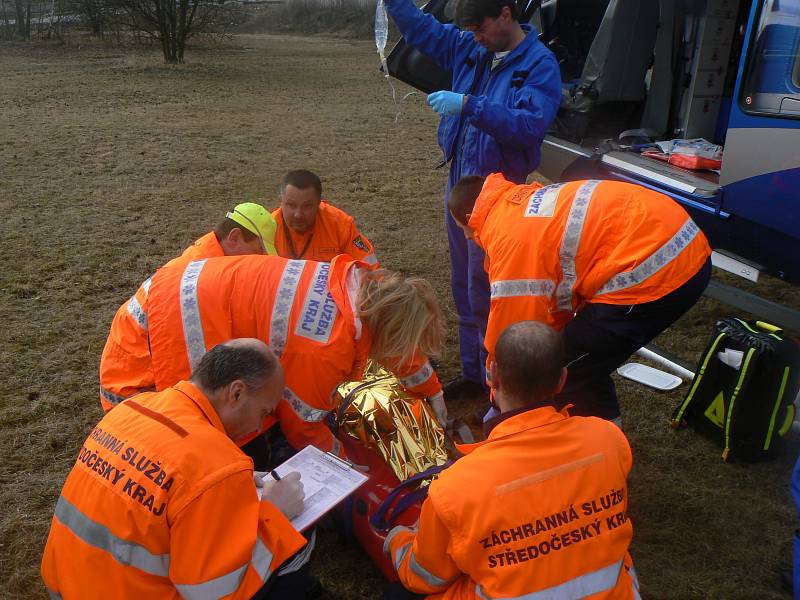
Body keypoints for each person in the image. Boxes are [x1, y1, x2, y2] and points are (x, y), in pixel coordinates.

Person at [382, 321, 639, 600]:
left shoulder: (456, 488)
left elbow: (425, 577)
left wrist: (396, 539)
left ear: (493, 375)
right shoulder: (609, 440)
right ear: (562, 379)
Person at [383, 0, 562, 401]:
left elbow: (529, 125)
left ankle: (496, 378)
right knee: (464, 284)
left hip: (499, 192)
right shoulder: (471, 46)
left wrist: (470, 105)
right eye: (470, 31)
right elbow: (424, 30)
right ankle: (471, 373)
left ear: (505, 14)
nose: (475, 38)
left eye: (480, 28)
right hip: (460, 184)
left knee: (487, 287)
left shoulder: (539, 65)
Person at [42, 339, 316, 599]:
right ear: (236, 392)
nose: (259, 427)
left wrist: (232, 483)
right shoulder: (218, 464)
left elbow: (169, 482)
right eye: (264, 412)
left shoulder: (131, 408)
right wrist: (276, 515)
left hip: (66, 587)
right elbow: (216, 592)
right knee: (298, 542)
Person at [448, 173, 713, 422]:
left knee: (560, 367)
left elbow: (512, 336)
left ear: (471, 216)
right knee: (584, 349)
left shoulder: (509, 240)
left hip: (659, 268)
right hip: (680, 241)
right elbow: (553, 307)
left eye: (462, 228)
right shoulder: (516, 204)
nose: (466, 236)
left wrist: (499, 401)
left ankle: (600, 448)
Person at [135, 254, 446, 457]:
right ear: (391, 332)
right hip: (179, 321)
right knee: (199, 434)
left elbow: (400, 350)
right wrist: (347, 464)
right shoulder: (325, 347)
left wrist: (432, 390)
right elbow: (303, 426)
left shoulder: (357, 288)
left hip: (183, 287)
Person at [99, 202, 277, 411]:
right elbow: (192, 380)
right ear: (234, 237)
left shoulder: (206, 261)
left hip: (140, 383)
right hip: (133, 400)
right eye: (258, 253)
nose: (259, 263)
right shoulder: (198, 284)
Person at [272, 169, 378, 265]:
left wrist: (372, 276)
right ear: (281, 202)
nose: (298, 214)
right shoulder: (266, 228)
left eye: (307, 206)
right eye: (291, 205)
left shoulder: (340, 224)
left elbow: (369, 263)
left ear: (319, 203)